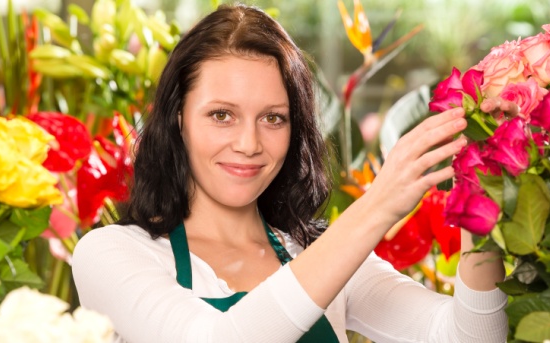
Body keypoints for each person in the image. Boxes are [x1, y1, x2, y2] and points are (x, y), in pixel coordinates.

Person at [72, 4, 512, 342]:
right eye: (222, 115)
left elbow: (468, 336)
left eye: (273, 118)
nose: (249, 144)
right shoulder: (113, 254)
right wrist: (378, 204)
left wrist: (479, 189)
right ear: (177, 119)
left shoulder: (319, 255)